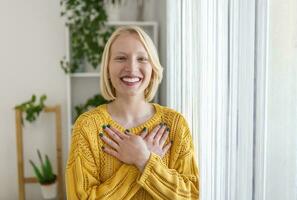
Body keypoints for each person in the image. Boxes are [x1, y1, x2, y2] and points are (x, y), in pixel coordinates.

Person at [65, 25, 199, 200]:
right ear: (107, 68)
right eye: (121, 58)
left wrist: (144, 160)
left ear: (153, 69)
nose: (131, 67)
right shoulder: (87, 127)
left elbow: (192, 195)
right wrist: (139, 163)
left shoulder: (175, 124)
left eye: (142, 59)